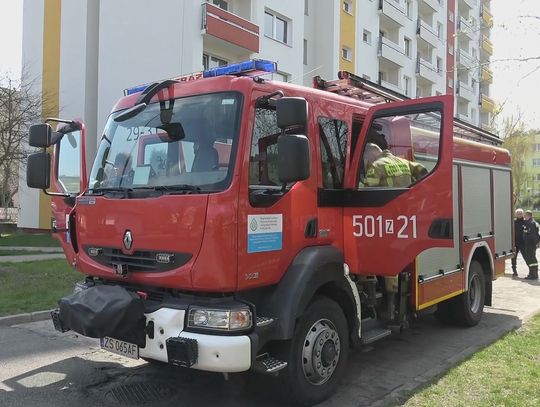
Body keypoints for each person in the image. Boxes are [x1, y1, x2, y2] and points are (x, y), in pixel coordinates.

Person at [360, 143, 427, 188]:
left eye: (367, 161)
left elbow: (368, 193)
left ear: (370, 157)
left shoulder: (376, 166)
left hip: (387, 206)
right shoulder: (405, 162)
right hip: (405, 203)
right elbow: (422, 170)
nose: (368, 165)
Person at [522, 209, 539, 280]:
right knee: (533, 258)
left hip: (530, 244)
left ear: (528, 215)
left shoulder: (530, 223)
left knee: (531, 259)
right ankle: (535, 274)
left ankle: (532, 275)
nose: (524, 217)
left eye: (525, 215)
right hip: (532, 243)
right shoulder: (533, 222)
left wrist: (534, 243)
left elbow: (532, 234)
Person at [511, 208, 525, 277]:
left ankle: (532, 272)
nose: (519, 215)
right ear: (516, 214)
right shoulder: (513, 222)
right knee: (514, 258)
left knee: (527, 257)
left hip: (523, 243)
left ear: (523, 214)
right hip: (515, 243)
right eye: (518, 213)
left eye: (520, 213)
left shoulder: (525, 222)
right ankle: (514, 271)